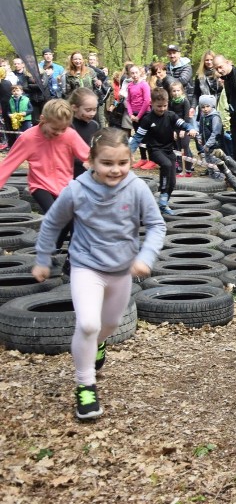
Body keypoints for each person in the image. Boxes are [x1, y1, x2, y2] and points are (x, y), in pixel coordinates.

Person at [31, 128, 166, 420]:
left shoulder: (137, 188)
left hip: (121, 271)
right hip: (85, 266)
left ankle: (99, 343)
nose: (115, 170)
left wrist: (146, 256)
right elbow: (52, 224)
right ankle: (85, 386)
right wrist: (43, 259)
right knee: (89, 324)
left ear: (130, 162)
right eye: (107, 163)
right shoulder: (76, 190)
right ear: (90, 161)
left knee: (108, 326)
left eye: (122, 163)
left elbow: (157, 225)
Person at [0, 99, 90, 254]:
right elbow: (8, 165)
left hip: (65, 186)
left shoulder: (69, 135)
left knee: (75, 222)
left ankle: (60, 255)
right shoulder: (28, 138)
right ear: (42, 119)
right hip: (40, 186)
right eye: (55, 129)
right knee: (59, 217)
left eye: (63, 129)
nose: (60, 133)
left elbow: (89, 157)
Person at [128, 88, 196, 214]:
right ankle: (163, 196)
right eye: (159, 106)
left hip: (168, 150)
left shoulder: (171, 116)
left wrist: (190, 128)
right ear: (151, 104)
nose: (162, 109)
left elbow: (184, 124)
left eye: (165, 105)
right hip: (155, 150)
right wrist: (129, 151)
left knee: (172, 182)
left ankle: (163, 205)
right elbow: (138, 137)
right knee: (166, 165)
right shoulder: (147, 119)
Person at [124, 66, 153, 169]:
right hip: (134, 114)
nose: (134, 75)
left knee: (148, 136)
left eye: (136, 73)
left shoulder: (144, 85)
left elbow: (146, 101)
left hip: (145, 114)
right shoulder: (130, 85)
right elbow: (128, 100)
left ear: (140, 73)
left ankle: (152, 159)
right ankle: (143, 158)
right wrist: (131, 114)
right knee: (138, 137)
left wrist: (139, 116)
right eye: (132, 73)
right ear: (130, 74)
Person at [68, 88, 101, 178]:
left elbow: (96, 147)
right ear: (74, 107)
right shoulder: (68, 126)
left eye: (94, 109)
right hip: (71, 172)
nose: (92, 113)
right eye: (88, 110)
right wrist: (82, 162)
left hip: (89, 171)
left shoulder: (95, 125)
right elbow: (64, 152)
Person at [195, 94, 225, 179]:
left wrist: (208, 144)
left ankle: (220, 179)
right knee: (209, 162)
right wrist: (200, 138)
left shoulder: (215, 117)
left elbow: (216, 132)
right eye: (203, 107)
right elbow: (200, 129)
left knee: (216, 161)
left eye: (207, 106)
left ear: (212, 105)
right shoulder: (203, 117)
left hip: (215, 145)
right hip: (206, 145)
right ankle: (212, 177)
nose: (205, 109)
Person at [168, 82, 194, 177]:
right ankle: (180, 167)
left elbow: (187, 116)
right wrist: (174, 130)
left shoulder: (185, 101)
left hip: (185, 127)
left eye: (178, 90)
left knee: (185, 147)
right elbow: (171, 116)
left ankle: (188, 169)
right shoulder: (172, 102)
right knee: (178, 148)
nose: (176, 93)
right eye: (174, 91)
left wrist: (184, 129)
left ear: (182, 91)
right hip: (176, 128)